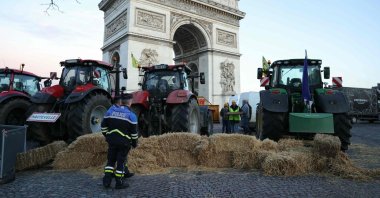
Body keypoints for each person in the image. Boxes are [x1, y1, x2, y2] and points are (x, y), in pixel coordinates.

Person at [101, 94, 138, 189]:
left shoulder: (110, 112)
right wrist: (134, 143)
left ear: (121, 102)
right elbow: (134, 134)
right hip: (124, 142)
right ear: (130, 103)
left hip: (112, 141)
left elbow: (103, 127)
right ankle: (119, 182)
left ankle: (106, 181)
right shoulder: (131, 116)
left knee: (111, 161)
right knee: (121, 162)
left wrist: (108, 136)